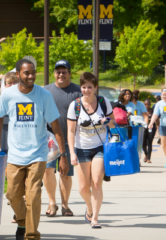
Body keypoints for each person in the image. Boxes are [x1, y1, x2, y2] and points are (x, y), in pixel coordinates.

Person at [0, 59, 69, 240]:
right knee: (12, 195)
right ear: (17, 74)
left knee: (33, 195)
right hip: (15, 154)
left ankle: (31, 235)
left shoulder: (44, 95)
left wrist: (62, 155)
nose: (31, 76)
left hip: (38, 153)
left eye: (33, 73)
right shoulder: (8, 94)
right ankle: (23, 222)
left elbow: (56, 127)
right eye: (26, 73)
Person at [67, 72, 115, 229]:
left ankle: (95, 217)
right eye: (83, 87)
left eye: (89, 87)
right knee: (82, 188)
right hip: (81, 149)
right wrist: (72, 152)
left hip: (100, 147)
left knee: (96, 183)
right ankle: (89, 207)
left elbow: (113, 123)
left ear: (95, 87)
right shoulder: (75, 105)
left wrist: (108, 121)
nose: (86, 90)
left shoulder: (103, 102)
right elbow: (71, 131)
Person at [42, 60, 82, 217]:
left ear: (70, 73)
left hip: (70, 140)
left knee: (65, 173)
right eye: (58, 71)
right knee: (47, 170)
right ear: (54, 73)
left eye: (64, 71)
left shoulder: (78, 91)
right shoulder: (46, 91)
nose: (61, 74)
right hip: (49, 140)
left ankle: (65, 205)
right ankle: (52, 202)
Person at [143, 98, 156, 163]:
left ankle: (148, 158)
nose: (146, 106)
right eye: (145, 104)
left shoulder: (153, 111)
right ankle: (146, 154)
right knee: (143, 143)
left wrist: (158, 127)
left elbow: (157, 119)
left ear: (150, 104)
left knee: (149, 142)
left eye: (148, 104)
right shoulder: (142, 111)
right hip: (144, 128)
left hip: (152, 128)